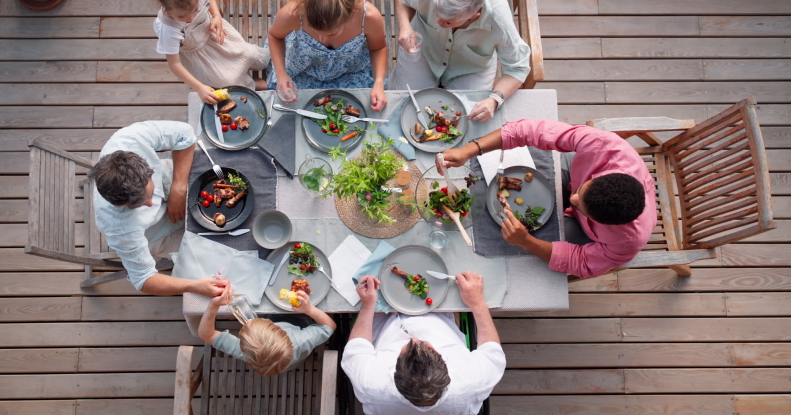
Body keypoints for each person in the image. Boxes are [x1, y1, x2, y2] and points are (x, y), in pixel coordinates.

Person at [439, 119, 657, 279]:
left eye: (580, 206)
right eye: (580, 191)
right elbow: (530, 131)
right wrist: (470, 150)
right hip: (582, 166)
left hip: (586, 234)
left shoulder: (627, 242)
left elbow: (581, 262)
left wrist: (526, 242)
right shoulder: (604, 146)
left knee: (532, 248)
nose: (571, 199)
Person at [88, 121, 225, 297]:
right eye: (139, 205)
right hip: (156, 233)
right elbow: (144, 280)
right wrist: (194, 286)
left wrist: (179, 187)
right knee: (214, 254)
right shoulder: (118, 229)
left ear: (147, 169)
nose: (151, 204)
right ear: (120, 205)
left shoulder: (129, 138)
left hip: (172, 182)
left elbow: (184, 134)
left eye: (149, 194)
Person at [341, 273, 505, 414]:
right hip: (442, 316)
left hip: (384, 322)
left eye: (407, 349)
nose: (415, 339)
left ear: (395, 375)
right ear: (445, 365)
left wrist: (368, 305)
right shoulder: (472, 382)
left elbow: (357, 346)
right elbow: (492, 350)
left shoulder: (370, 384)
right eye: (429, 349)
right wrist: (478, 303)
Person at [389, 0, 532, 123]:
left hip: (471, 67)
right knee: (404, 107)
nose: (438, 21)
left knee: (463, 118)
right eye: (436, 11)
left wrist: (494, 100)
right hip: (424, 52)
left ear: (473, 16)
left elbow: (518, 67)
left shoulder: (499, 19)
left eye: (448, 21)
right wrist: (405, 26)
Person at [152, 0, 270, 104]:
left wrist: (216, 16)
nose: (190, 19)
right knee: (227, 78)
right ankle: (252, 85)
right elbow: (174, 65)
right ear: (166, 8)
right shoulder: (168, 29)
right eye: (182, 17)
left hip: (213, 34)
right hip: (200, 57)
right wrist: (199, 87)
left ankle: (258, 62)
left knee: (246, 52)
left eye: (195, 11)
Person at [267, 0, 388, 111]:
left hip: (350, 72)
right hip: (303, 70)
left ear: (349, 17)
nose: (322, 39)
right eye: (314, 31)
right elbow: (274, 36)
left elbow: (378, 48)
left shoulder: (368, 17)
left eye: (331, 34)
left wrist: (378, 83)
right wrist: (281, 75)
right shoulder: (293, 13)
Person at [198, 286, 336, 375]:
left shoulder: (245, 352)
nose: (250, 320)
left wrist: (213, 305)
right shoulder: (302, 340)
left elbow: (206, 334)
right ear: (280, 330)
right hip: (299, 327)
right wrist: (309, 310)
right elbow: (330, 326)